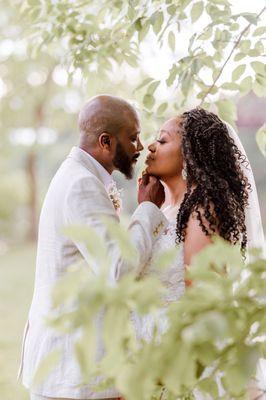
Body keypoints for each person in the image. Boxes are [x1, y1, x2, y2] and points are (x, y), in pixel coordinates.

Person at [18, 95, 169, 400]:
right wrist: (148, 208)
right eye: (133, 137)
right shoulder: (82, 184)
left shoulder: (81, 176)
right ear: (105, 141)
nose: (140, 147)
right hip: (72, 367)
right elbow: (118, 267)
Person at [135, 107, 265, 397]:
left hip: (189, 364)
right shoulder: (165, 209)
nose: (151, 146)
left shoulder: (202, 209)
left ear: (191, 154)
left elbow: (201, 301)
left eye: (164, 140)